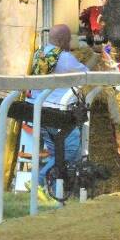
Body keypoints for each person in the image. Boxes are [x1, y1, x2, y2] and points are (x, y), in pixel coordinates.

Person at [31, 24, 89, 186]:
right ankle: (39, 182)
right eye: (69, 39)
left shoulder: (39, 53)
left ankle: (53, 192)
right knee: (71, 150)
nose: (70, 42)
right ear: (63, 40)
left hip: (38, 110)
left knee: (55, 153)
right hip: (57, 113)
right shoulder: (65, 57)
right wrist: (92, 60)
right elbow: (87, 76)